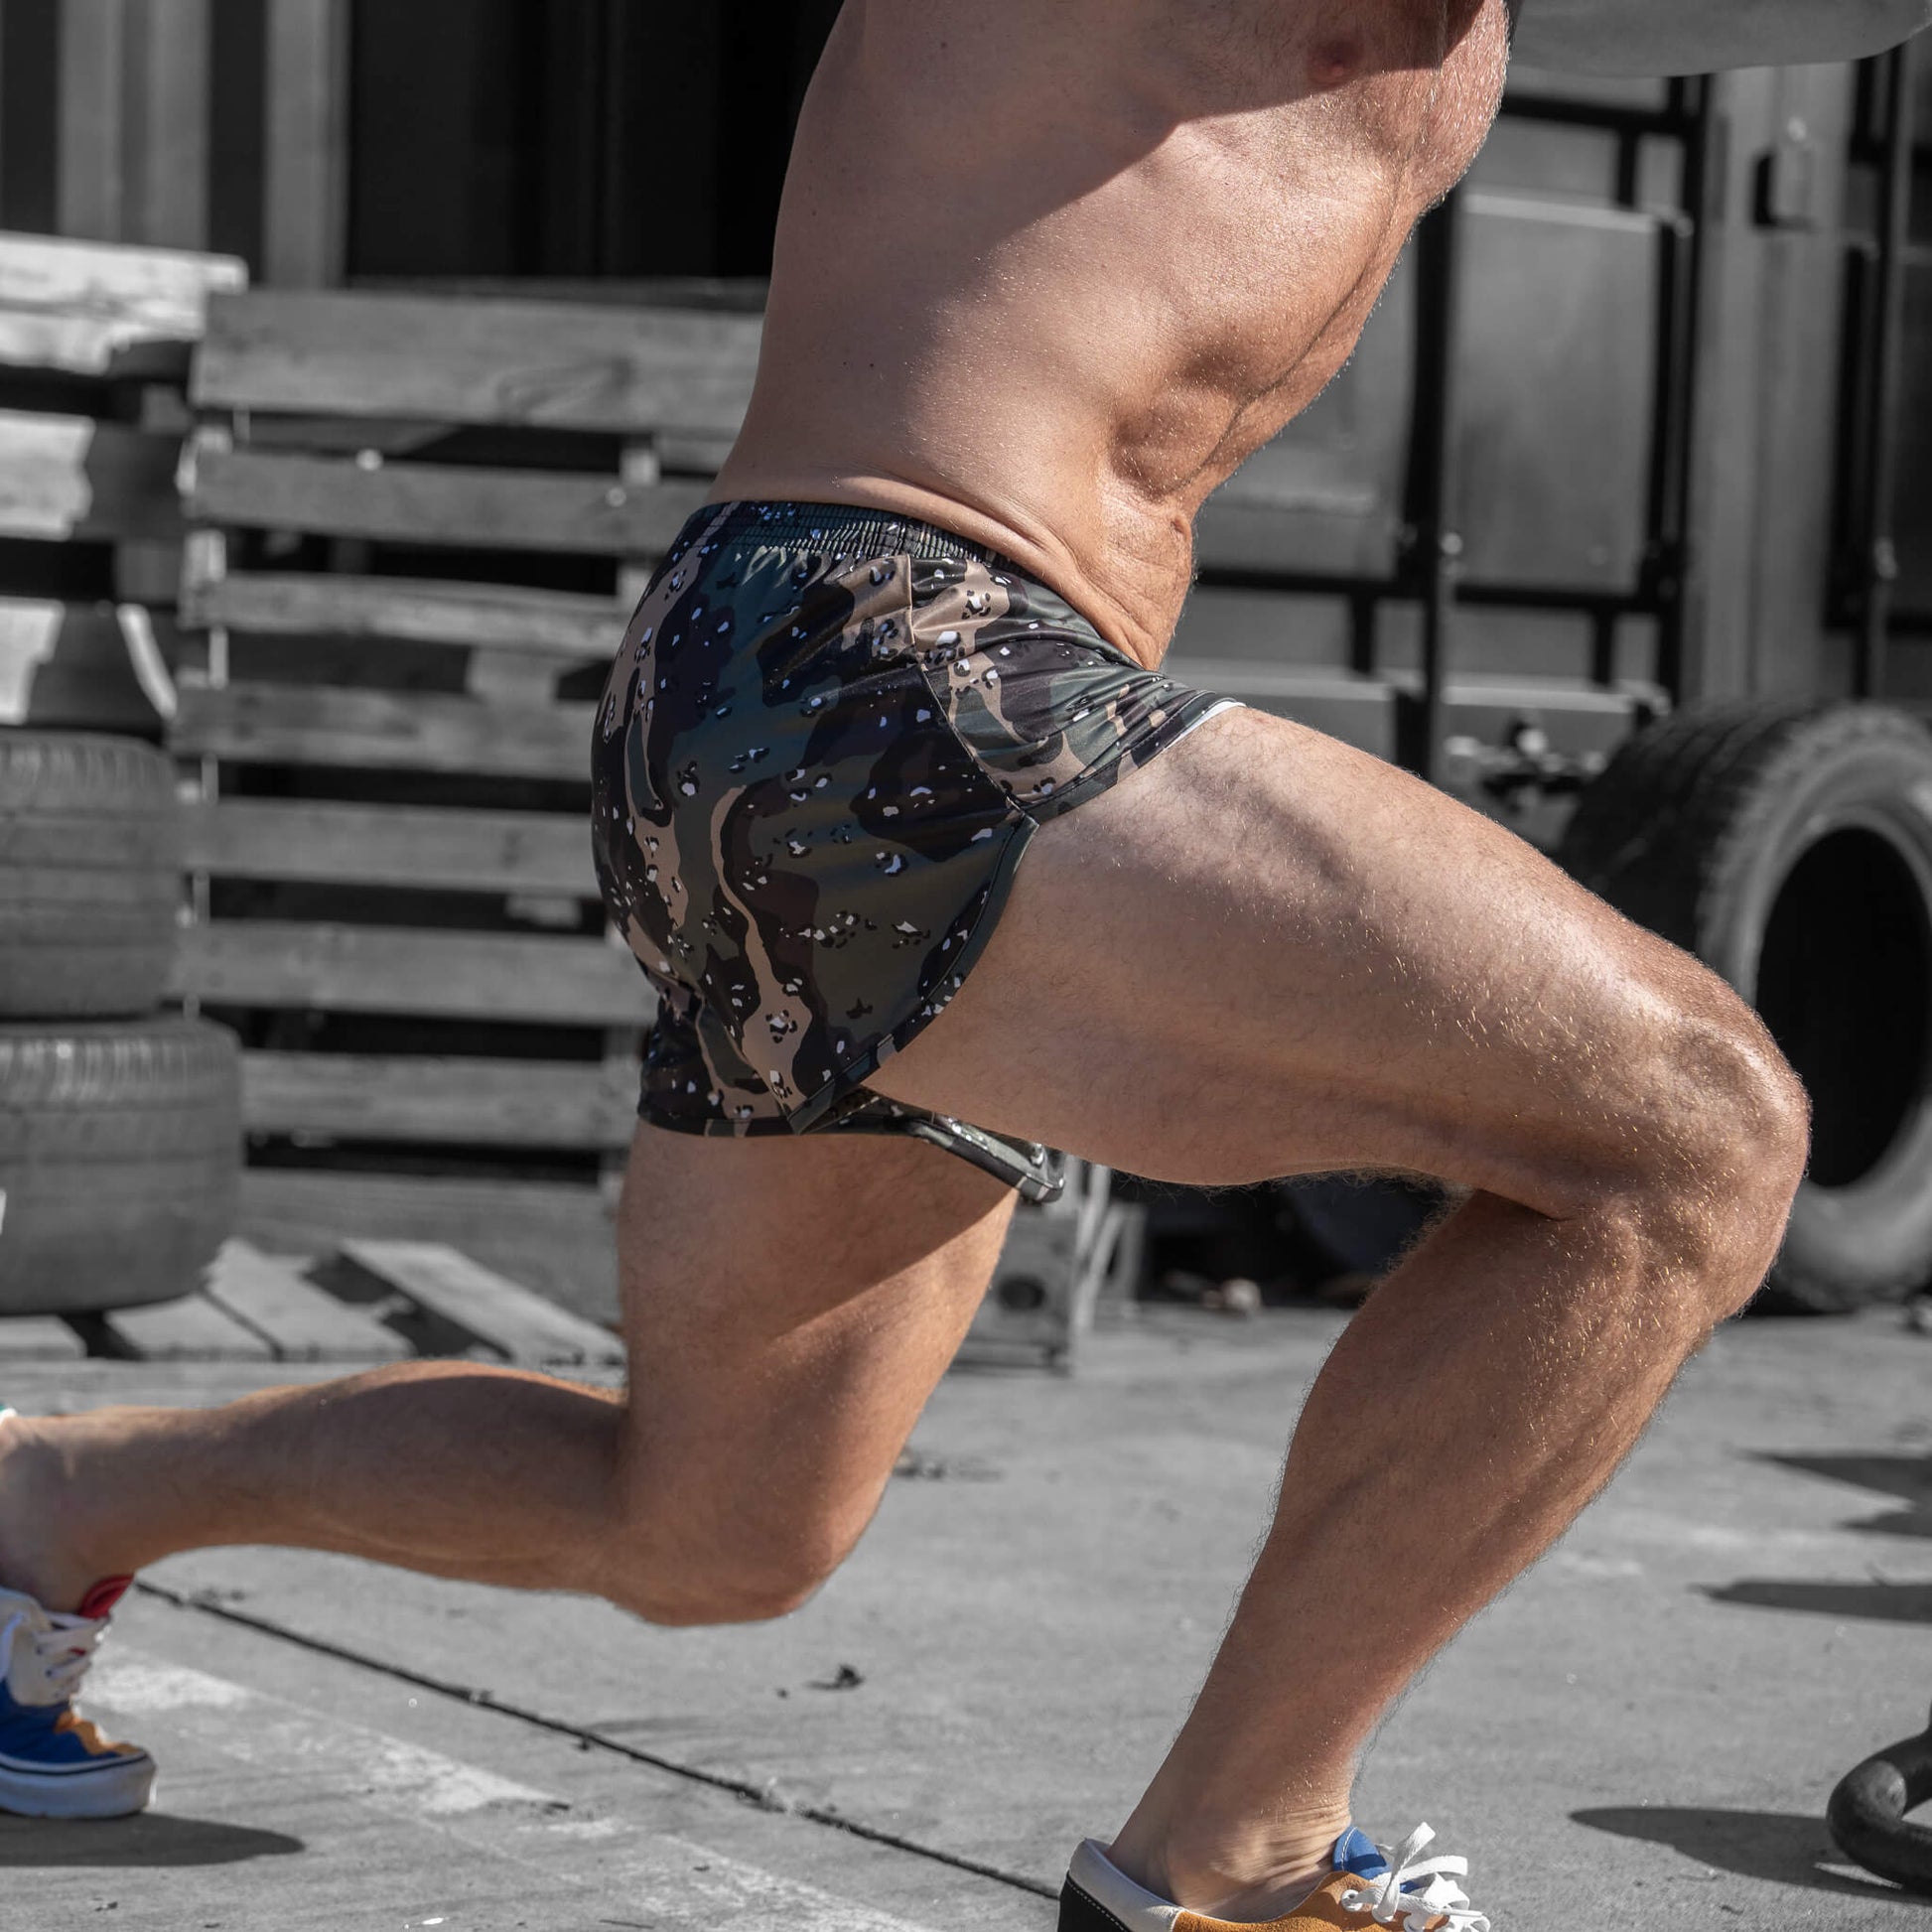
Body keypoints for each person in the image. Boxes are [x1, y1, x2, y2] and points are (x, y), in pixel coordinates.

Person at [4, 0, 1926, 1923]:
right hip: (890, 657)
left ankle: (50, 1500)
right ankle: (1238, 1863)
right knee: (1696, 1132)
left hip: (841, 716)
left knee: (713, 1522)